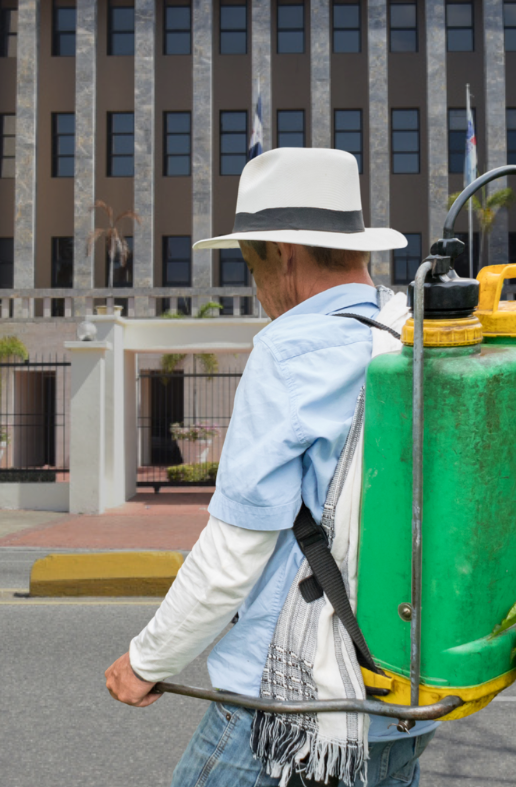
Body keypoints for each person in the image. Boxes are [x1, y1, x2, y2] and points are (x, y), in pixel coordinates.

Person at [104, 147, 431, 787]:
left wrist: (147, 660)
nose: (255, 289)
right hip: (405, 701)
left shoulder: (288, 354)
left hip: (287, 706)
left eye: (251, 263)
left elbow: (235, 552)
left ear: (283, 253)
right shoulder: (413, 332)